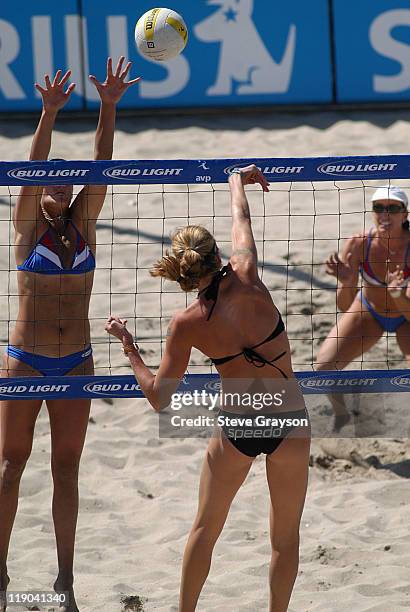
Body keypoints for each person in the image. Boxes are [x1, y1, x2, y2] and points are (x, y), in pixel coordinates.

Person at [105, 165, 311, 612]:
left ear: (182, 273)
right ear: (218, 256)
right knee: (285, 540)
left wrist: (130, 347)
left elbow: (159, 397)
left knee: (205, 530)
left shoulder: (186, 324)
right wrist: (238, 178)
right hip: (289, 420)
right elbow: (242, 217)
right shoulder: (249, 273)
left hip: (238, 426)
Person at [0, 58, 140, 612]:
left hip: (76, 365)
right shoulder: (27, 227)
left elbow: (101, 166)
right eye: (50, 175)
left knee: (66, 471)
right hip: (26, 363)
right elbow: (32, 169)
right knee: (10, 468)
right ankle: (3, 582)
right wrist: (48, 114)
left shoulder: (83, 226)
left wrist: (107, 107)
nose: (57, 176)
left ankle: (64, 583)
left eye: (64, 173)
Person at [316, 186, 410, 431]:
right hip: (370, 310)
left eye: (393, 208)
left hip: (407, 315)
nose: (385, 214)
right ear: (372, 212)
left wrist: (398, 296)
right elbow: (345, 305)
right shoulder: (359, 244)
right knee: (323, 368)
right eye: (379, 208)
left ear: (405, 214)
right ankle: (342, 414)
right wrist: (348, 283)